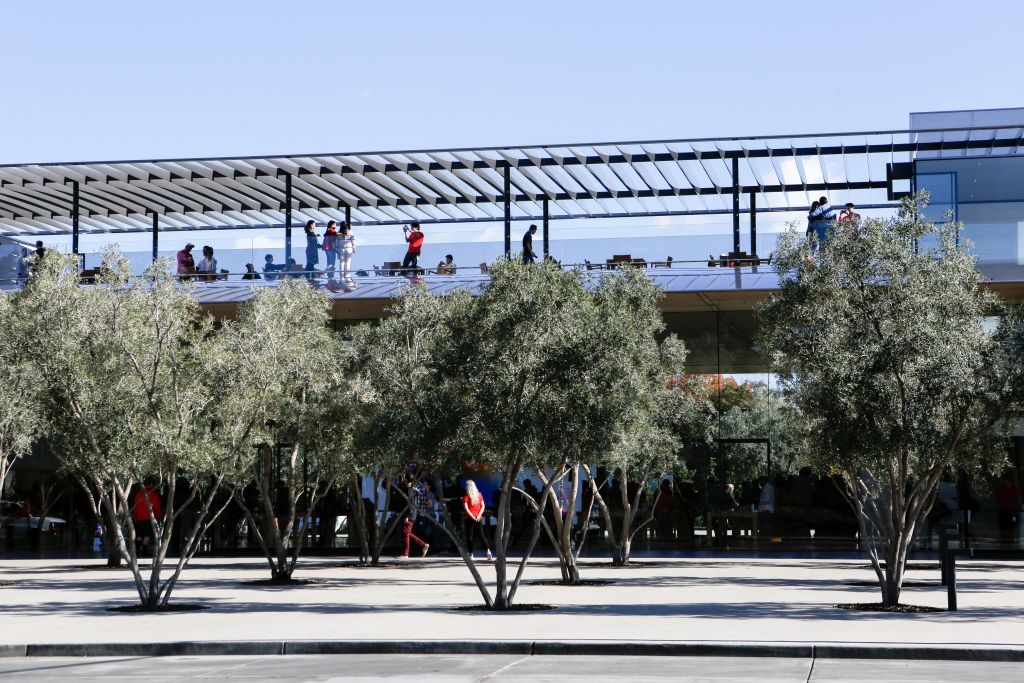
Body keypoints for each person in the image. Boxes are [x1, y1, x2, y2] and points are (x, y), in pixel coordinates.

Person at [397, 478, 430, 559]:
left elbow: (409, 504)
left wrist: (407, 516)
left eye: (404, 478)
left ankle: (406, 554)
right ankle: (423, 545)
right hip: (413, 513)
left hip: (410, 514)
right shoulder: (415, 489)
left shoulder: (409, 490)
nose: (403, 479)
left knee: (406, 533)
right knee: (407, 532)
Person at [132, 477, 162, 557]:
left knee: (139, 534)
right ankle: (144, 551)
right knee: (147, 534)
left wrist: (135, 515)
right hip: (149, 517)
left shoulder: (139, 493)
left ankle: (137, 550)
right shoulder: (153, 493)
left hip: (139, 517)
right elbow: (156, 506)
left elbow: (135, 505)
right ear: (151, 484)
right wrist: (159, 516)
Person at [462, 479, 491, 560]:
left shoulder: (466, 496)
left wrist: (472, 517)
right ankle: (488, 551)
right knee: (481, 535)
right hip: (478, 518)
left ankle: (471, 554)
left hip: (469, 518)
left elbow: (466, 509)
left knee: (470, 536)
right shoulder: (479, 495)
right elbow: (483, 506)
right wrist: (478, 515)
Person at [995, 475, 1021, 546]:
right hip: (1003, 512)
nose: (1003, 481)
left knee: (1011, 528)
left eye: (1004, 480)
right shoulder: (1000, 489)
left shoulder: (1015, 489)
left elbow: (1015, 500)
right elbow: (998, 499)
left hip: (1012, 512)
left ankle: (1010, 542)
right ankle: (1003, 542)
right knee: (1003, 527)